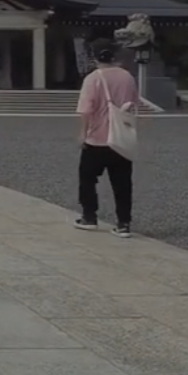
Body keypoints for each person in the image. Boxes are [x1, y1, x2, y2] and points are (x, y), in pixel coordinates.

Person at [75, 46, 137, 238]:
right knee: (122, 182)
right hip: (120, 137)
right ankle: (123, 223)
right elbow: (133, 102)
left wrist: (83, 133)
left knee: (87, 179)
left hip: (97, 138)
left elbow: (86, 109)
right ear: (114, 58)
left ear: (95, 59)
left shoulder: (93, 78)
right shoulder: (127, 77)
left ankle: (89, 217)